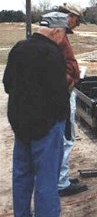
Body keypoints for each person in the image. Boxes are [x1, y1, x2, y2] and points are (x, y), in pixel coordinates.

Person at [3, 12, 70, 217]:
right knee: (47, 180)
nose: (63, 39)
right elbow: (60, 96)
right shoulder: (53, 53)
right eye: (64, 33)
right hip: (47, 127)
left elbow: (7, 84)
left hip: (21, 125)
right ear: (57, 30)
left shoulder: (18, 48)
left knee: (22, 176)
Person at [56, 3, 88, 196]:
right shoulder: (58, 34)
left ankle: (62, 178)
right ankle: (61, 183)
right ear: (70, 15)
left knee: (64, 137)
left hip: (63, 90)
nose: (77, 25)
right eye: (77, 20)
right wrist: (68, 80)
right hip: (63, 92)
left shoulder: (59, 33)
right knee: (66, 138)